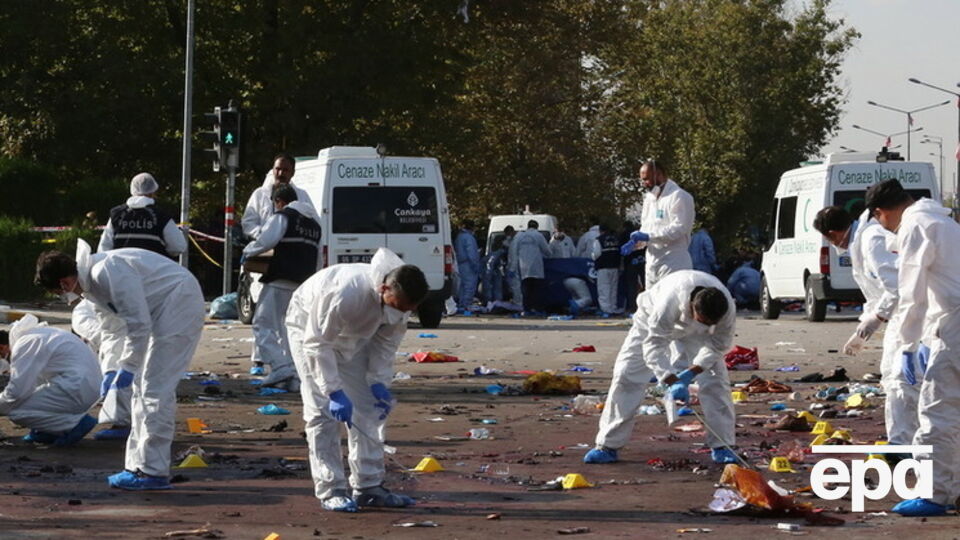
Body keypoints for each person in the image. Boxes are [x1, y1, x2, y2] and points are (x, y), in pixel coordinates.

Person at [35, 239, 204, 491]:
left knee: (154, 389)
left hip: (178, 303)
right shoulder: (93, 286)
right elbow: (112, 331)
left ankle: (153, 471)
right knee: (140, 388)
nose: (64, 297)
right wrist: (112, 369)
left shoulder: (107, 271)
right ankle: (138, 466)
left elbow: (138, 323)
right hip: (163, 309)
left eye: (59, 292)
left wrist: (128, 365)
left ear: (65, 283)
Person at [285, 249, 429, 512]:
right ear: (383, 288)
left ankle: (368, 486)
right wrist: (333, 391)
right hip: (309, 328)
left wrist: (378, 382)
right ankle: (331, 488)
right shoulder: (345, 293)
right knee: (321, 411)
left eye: (407, 310)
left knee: (370, 408)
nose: (399, 314)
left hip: (356, 333)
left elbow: (386, 344)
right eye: (396, 307)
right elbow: (318, 344)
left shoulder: (402, 300)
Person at [866, 179, 960, 517]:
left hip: (955, 324)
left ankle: (936, 494)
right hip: (949, 322)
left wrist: (906, 346)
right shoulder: (943, 221)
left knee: (937, 411)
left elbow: (911, 296)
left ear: (881, 213)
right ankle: (952, 487)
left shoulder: (914, 225)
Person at [583, 270, 738, 465]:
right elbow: (654, 346)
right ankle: (607, 444)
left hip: (698, 334)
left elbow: (718, 345)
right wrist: (670, 380)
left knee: (716, 381)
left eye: (711, 323)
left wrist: (692, 372)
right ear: (692, 308)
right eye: (703, 320)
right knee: (627, 376)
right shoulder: (668, 303)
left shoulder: (726, 309)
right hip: (649, 324)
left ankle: (722, 444)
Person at [813, 205, 917, 454]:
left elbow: (895, 287)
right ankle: (903, 441)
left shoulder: (871, 240)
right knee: (896, 380)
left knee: (902, 382)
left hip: (909, 318)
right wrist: (864, 325)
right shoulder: (864, 240)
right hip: (901, 318)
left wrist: (874, 322)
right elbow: (877, 292)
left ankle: (905, 444)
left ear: (833, 233)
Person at [241, 154, 316, 376]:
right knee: (275, 318)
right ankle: (267, 361)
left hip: (279, 269)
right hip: (276, 265)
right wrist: (259, 238)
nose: (280, 173)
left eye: (285, 170)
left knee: (268, 321)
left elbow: (272, 235)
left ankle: (283, 366)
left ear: (292, 172)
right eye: (277, 169)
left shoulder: (294, 204)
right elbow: (250, 223)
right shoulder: (260, 194)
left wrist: (250, 251)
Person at [0, 315, 100, 446]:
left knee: (15, 412)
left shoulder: (25, 345)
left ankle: (74, 425)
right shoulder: (37, 335)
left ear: (2, 347)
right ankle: (48, 431)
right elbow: (34, 384)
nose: (4, 360)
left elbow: (17, 392)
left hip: (76, 387)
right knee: (22, 403)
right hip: (84, 385)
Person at [624, 160, 695, 288]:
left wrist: (648, 236)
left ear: (658, 174)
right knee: (651, 305)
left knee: (671, 304)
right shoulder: (649, 199)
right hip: (652, 263)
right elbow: (646, 229)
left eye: (646, 179)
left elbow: (679, 228)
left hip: (673, 261)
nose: (644, 183)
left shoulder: (679, 196)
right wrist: (636, 244)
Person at [72, 299, 132, 440]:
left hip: (127, 341)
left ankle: (124, 425)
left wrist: (110, 369)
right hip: (128, 339)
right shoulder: (89, 307)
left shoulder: (84, 313)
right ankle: (129, 423)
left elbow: (106, 338)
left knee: (120, 382)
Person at [98, 173, 187, 258]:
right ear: (153, 192)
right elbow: (178, 247)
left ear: (132, 190)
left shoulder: (116, 215)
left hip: (121, 270)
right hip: (154, 270)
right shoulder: (162, 216)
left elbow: (104, 248)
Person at [509, 220, 552, 315]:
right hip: (536, 268)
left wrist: (512, 267)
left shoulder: (519, 236)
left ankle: (527, 309)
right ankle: (537, 309)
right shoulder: (538, 236)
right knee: (537, 290)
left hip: (523, 267)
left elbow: (513, 252)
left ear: (527, 226)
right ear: (537, 227)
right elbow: (547, 251)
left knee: (525, 290)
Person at [592, 223, 623, 315]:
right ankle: (613, 307)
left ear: (600, 231)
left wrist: (593, 257)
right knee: (613, 289)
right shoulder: (616, 239)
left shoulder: (599, 240)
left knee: (604, 288)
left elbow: (596, 254)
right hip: (615, 266)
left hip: (603, 267)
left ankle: (605, 309)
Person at [454, 220, 480, 313]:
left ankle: (461, 304)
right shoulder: (469, 238)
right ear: (472, 227)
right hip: (468, 264)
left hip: (460, 264)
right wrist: (475, 265)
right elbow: (472, 253)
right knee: (470, 285)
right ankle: (466, 305)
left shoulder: (459, 237)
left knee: (462, 286)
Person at [502, 226, 523, 305]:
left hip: (515, 267)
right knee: (516, 286)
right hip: (517, 266)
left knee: (516, 286)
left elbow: (514, 257)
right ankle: (517, 301)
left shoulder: (515, 241)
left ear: (510, 232)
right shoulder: (514, 240)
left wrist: (512, 269)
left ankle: (518, 303)